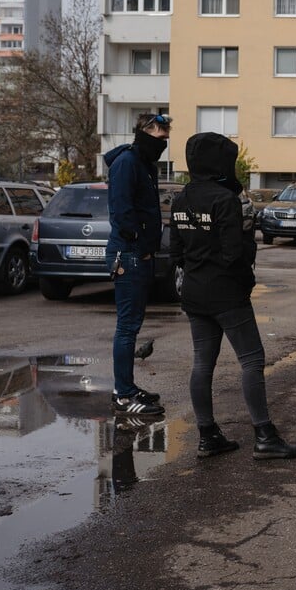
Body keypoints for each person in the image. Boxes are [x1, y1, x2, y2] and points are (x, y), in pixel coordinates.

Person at [170, 132, 296, 460]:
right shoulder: (224, 199)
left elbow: (175, 251)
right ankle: (264, 436)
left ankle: (207, 435)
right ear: (219, 163)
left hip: (194, 291)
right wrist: (246, 281)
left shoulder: (181, 199)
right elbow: (235, 254)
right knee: (252, 359)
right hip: (226, 292)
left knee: (203, 362)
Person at [104, 112, 171, 417]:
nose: (164, 143)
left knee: (132, 325)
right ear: (144, 133)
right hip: (129, 255)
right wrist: (141, 244)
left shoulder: (144, 164)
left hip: (138, 254)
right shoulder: (127, 163)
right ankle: (122, 394)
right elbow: (121, 211)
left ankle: (128, 387)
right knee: (127, 327)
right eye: (160, 137)